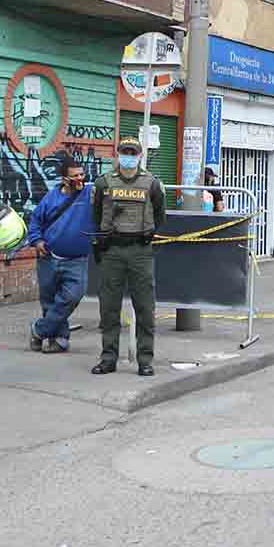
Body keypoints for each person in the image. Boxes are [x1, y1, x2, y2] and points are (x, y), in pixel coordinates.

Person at [90, 137, 166, 377]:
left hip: (140, 250)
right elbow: (96, 215)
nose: (129, 156)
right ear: (117, 154)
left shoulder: (152, 184)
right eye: (125, 152)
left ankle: (145, 360)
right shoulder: (103, 183)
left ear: (140, 155)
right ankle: (108, 358)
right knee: (108, 308)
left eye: (133, 152)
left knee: (145, 308)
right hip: (112, 249)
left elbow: (159, 216)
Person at [27, 156, 94, 353]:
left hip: (77, 259)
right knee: (49, 301)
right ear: (64, 179)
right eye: (75, 176)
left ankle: (38, 330)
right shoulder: (52, 198)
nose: (80, 178)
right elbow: (35, 221)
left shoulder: (90, 193)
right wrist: (37, 240)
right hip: (48, 257)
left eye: (82, 174)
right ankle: (59, 340)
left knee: (72, 297)